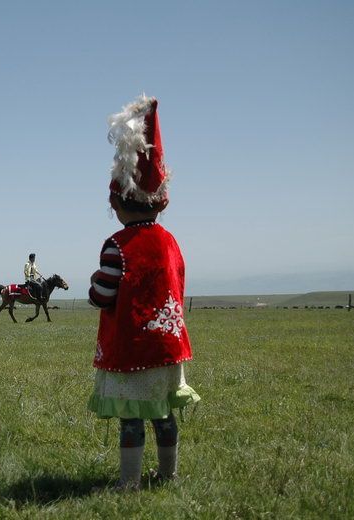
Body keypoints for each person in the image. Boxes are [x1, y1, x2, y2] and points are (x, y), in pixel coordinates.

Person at [87, 95, 200, 491]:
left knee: (132, 418)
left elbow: (104, 293)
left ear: (119, 203)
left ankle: (129, 482)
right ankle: (168, 475)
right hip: (168, 348)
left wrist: (94, 291)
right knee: (163, 414)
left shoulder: (116, 244)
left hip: (133, 348)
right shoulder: (170, 241)